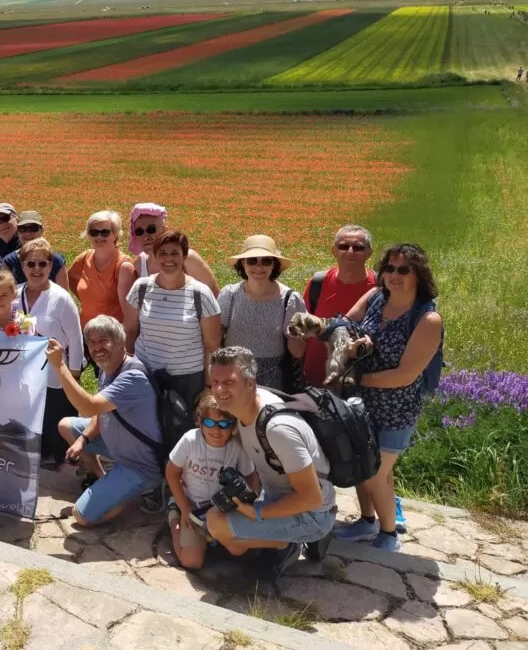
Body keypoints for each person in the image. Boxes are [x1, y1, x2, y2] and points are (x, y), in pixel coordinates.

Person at [333, 243, 442, 552]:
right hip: (361, 403)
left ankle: (389, 534)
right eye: (389, 268)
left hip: (397, 409)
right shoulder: (376, 297)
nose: (395, 275)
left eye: (404, 269)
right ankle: (367, 520)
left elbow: (405, 375)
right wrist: (352, 343)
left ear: (419, 274)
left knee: (374, 472)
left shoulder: (427, 319)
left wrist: (356, 378)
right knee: (362, 464)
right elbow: (343, 324)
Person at [205, 347, 337, 577]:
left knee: (216, 524)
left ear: (250, 384)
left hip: (314, 514)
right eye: (215, 382)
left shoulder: (277, 429)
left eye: (229, 382)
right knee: (228, 535)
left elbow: (311, 498)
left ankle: (290, 543)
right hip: (278, 496)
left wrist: (258, 513)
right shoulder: (244, 407)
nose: (219, 389)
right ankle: (279, 541)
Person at [125, 229, 221, 513]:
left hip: (187, 377)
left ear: (184, 256)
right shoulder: (141, 288)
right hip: (147, 376)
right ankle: (154, 484)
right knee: (149, 433)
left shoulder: (200, 294)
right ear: (154, 257)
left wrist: (208, 387)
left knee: (183, 436)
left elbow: (212, 345)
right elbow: (130, 331)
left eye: (175, 254)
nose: (169, 259)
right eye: (163, 254)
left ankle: (182, 491)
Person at [52, 316, 162, 526]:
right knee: (66, 426)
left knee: (81, 516)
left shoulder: (132, 378)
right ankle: (103, 478)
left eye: (104, 340)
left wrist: (60, 366)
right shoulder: (109, 368)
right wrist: (83, 439)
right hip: (119, 447)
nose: (97, 348)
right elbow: (99, 412)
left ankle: (138, 491)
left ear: (120, 343)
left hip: (139, 466)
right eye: (92, 342)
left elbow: (88, 406)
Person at [165, 391, 257, 570]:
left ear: (233, 426)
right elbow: (172, 472)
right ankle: (174, 517)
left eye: (223, 424)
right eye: (209, 423)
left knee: (239, 549)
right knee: (191, 562)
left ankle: (210, 537)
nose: (216, 430)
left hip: (221, 508)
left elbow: (251, 477)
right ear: (200, 421)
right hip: (192, 504)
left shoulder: (238, 448)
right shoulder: (190, 440)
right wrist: (184, 508)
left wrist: (248, 504)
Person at [17, 237, 84, 466]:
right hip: (25, 370)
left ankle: (62, 459)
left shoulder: (61, 298)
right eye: (31, 263)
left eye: (42, 264)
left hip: (56, 372)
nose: (36, 269)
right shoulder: (15, 294)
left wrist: (73, 374)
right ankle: (38, 453)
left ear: (50, 266)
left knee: (56, 417)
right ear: (22, 266)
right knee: (33, 416)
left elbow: (75, 338)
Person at [217, 235, 306, 391]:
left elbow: (298, 352)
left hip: (272, 376)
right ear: (242, 263)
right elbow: (215, 338)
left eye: (266, 261)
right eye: (252, 261)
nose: (259, 267)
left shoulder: (290, 299)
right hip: (232, 371)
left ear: (274, 265)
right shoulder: (229, 294)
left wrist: (294, 336)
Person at [303, 225, 376, 387]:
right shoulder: (318, 283)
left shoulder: (379, 288)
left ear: (369, 252)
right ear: (333, 250)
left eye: (358, 248)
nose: (350, 252)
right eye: (343, 246)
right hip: (315, 381)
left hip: (360, 383)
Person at [129, 203, 220, 295]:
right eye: (139, 231)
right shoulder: (140, 263)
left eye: (151, 229)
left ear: (165, 230)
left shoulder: (188, 259)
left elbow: (214, 295)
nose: (146, 236)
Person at [67, 210, 135, 326]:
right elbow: (69, 279)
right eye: (94, 232)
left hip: (111, 333)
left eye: (105, 232)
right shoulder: (84, 258)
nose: (99, 236)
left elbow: (130, 316)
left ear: (115, 234)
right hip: (85, 331)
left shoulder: (123, 266)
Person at [3, 211, 70, 289]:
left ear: (42, 229)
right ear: (17, 232)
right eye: (22, 228)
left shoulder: (56, 260)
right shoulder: (9, 261)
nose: (28, 233)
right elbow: (5, 292)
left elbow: (63, 293)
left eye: (33, 228)